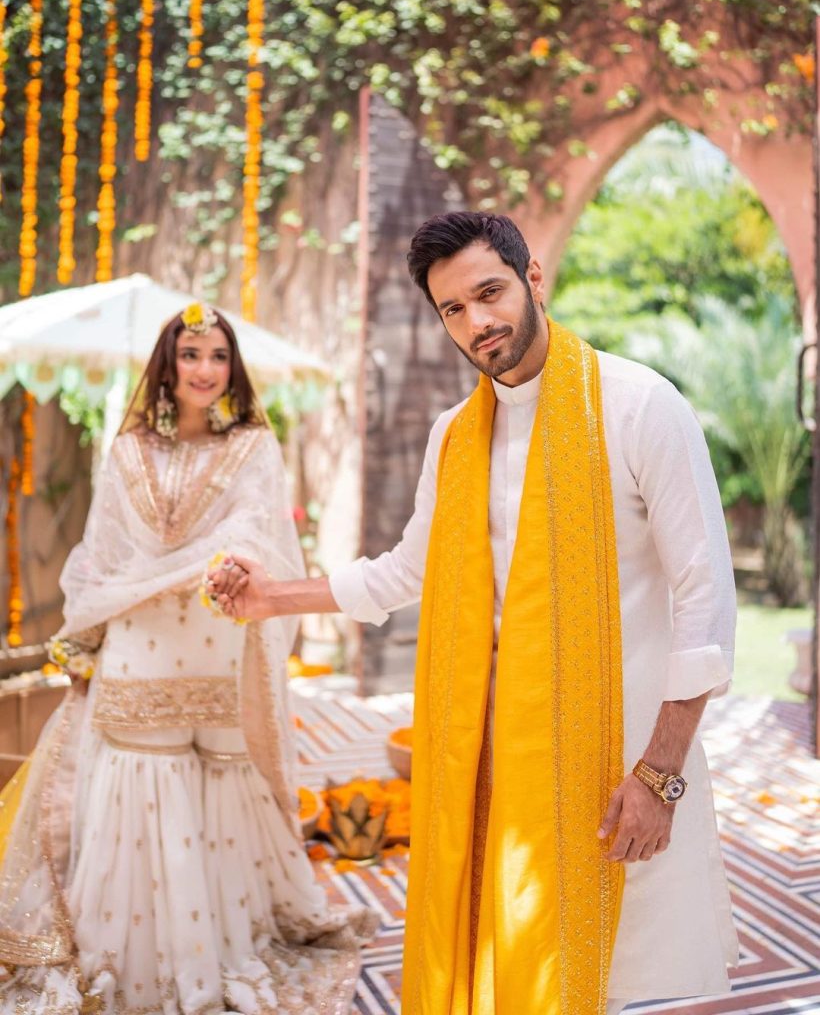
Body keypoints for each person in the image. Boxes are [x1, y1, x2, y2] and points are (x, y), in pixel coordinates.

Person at [209, 213, 739, 1015]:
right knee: (501, 965)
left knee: (620, 979)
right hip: (494, 766)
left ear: (532, 279)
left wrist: (658, 777)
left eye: (488, 292)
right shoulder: (456, 436)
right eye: (452, 308)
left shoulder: (637, 408)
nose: (476, 322)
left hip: (617, 765)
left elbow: (706, 603)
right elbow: (404, 572)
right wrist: (269, 598)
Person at [0, 303, 375, 1014]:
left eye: (217, 356)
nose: (205, 369)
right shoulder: (130, 449)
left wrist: (214, 569)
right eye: (191, 354)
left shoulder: (253, 447)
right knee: (142, 771)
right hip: (141, 643)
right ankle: (133, 963)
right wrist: (106, 618)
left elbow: (251, 540)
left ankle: (214, 954)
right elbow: (105, 555)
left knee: (218, 783)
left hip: (214, 639)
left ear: (233, 369)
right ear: (168, 365)